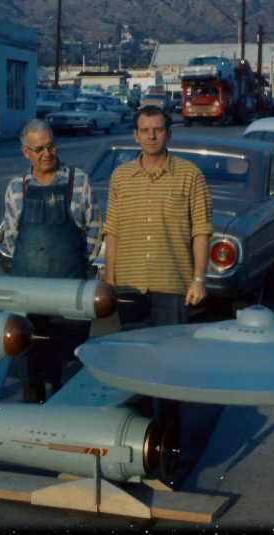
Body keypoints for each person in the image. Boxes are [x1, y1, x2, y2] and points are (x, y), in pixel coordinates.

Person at [102, 105, 213, 482]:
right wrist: (111, 282)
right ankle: (135, 454)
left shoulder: (189, 176)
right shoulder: (121, 177)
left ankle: (171, 456)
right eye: (144, 130)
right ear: (135, 135)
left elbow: (202, 230)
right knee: (133, 373)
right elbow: (111, 232)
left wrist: (199, 278)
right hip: (131, 290)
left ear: (169, 133)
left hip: (171, 287)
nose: (151, 135)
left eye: (158, 129)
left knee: (168, 375)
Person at [0, 119, 102, 403]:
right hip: (28, 298)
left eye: (52, 145)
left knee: (66, 370)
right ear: (26, 152)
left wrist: (75, 265)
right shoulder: (15, 188)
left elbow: (94, 230)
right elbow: (11, 238)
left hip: (69, 295)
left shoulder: (78, 181)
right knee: (30, 369)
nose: (48, 153)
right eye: (40, 148)